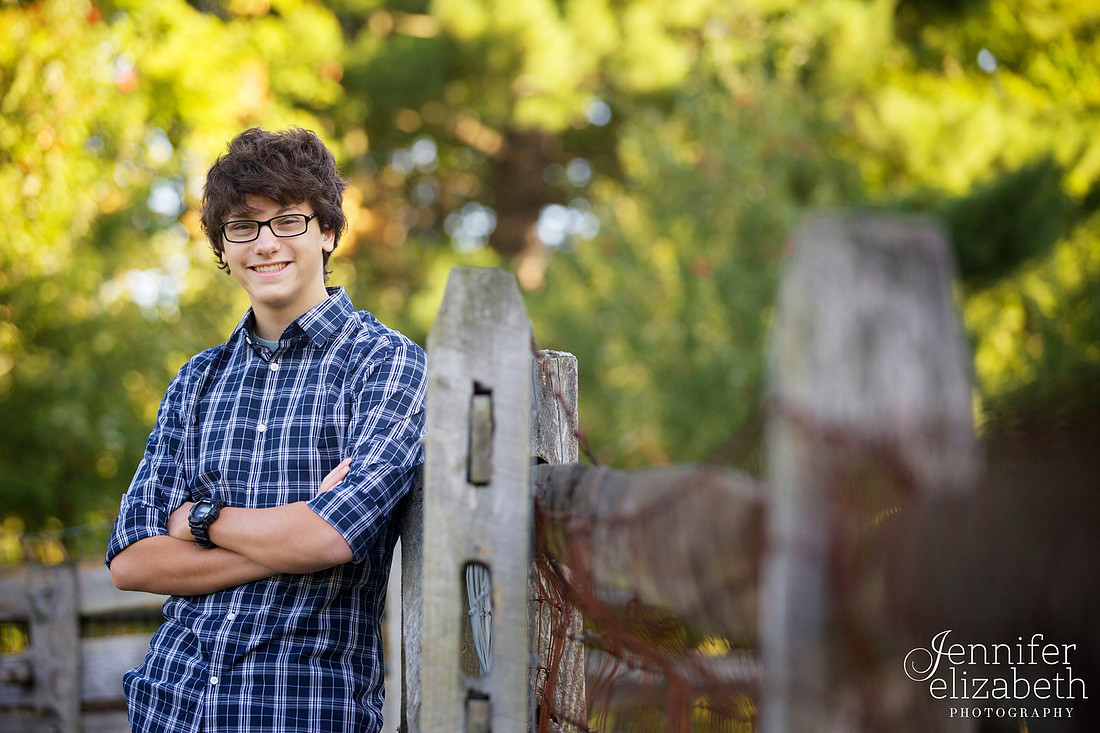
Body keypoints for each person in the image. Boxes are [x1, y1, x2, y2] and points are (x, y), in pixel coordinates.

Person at [106, 127, 426, 732]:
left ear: (327, 231)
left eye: (288, 222)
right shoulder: (196, 382)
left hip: (296, 708)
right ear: (224, 249)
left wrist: (202, 522)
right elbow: (131, 561)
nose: (265, 244)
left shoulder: (386, 366)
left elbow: (328, 540)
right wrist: (292, 533)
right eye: (244, 227)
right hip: (172, 706)